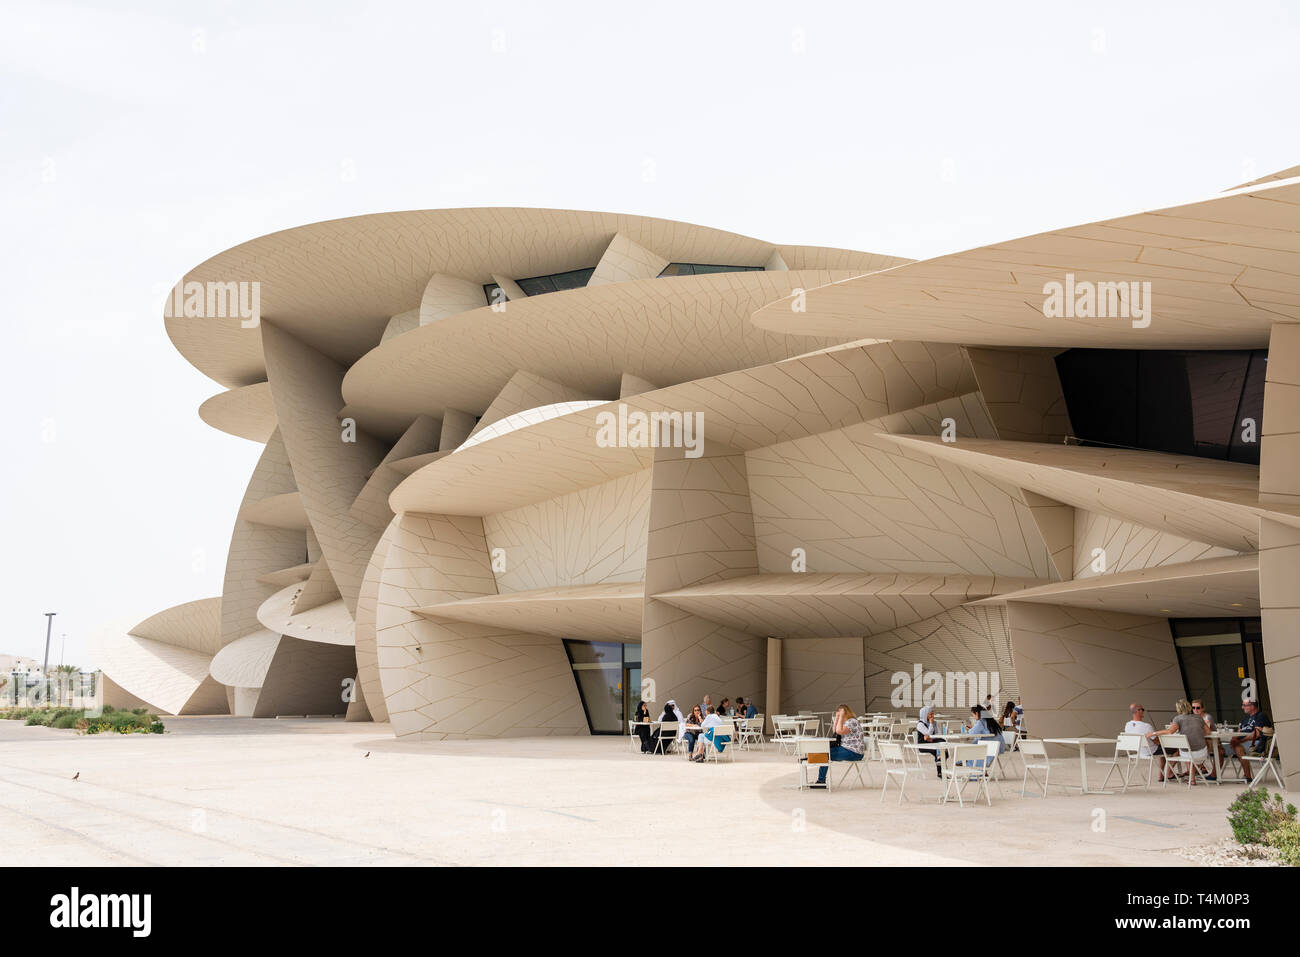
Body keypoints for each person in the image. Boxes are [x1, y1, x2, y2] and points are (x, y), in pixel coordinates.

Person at [1152, 699, 1214, 782]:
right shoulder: (1199, 718)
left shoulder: (1178, 719)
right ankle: (1192, 778)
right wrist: (1198, 734)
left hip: (1187, 755)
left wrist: (1154, 733)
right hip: (1202, 754)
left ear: (1178, 709)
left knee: (1186, 750)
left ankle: (1190, 779)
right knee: (1189, 750)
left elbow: (1170, 731)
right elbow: (1208, 732)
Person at [811, 704, 865, 786]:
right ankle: (820, 780)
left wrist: (841, 717)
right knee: (823, 753)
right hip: (848, 749)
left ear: (845, 713)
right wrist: (837, 718)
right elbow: (835, 730)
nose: (839, 715)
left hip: (854, 752)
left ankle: (821, 781)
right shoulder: (847, 722)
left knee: (824, 755)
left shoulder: (852, 721)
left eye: (840, 713)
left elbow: (839, 731)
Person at [1228, 699, 1274, 782]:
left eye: (1244, 705)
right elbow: (1238, 731)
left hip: (1257, 744)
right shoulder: (1246, 719)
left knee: (1237, 746)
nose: (1242, 707)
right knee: (1219, 748)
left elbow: (1257, 734)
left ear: (1252, 706)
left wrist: (1239, 741)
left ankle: (1248, 776)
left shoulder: (1260, 716)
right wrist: (1234, 739)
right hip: (1245, 743)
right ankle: (1213, 775)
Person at [1124, 702, 1166, 779]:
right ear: (1138, 711)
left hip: (1139, 751)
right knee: (1174, 750)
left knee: (1163, 751)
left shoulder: (1128, 725)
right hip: (1151, 751)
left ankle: (1162, 775)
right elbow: (1157, 742)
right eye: (1142, 709)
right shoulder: (1146, 726)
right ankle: (1167, 774)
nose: (1143, 711)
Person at [1193, 699, 1226, 769]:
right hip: (1200, 740)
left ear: (1202, 708)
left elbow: (1208, 732)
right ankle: (1198, 767)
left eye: (1198, 708)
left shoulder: (1207, 717)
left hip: (1212, 740)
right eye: (1193, 708)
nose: (1195, 710)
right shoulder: (1192, 717)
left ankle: (1197, 767)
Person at [915, 704, 945, 778]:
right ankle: (940, 772)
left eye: (933, 713)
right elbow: (929, 734)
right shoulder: (920, 724)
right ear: (925, 715)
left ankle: (940, 768)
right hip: (923, 745)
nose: (932, 716)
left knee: (943, 746)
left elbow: (939, 734)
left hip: (932, 743)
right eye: (930, 714)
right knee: (940, 750)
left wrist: (931, 736)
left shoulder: (934, 722)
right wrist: (931, 724)